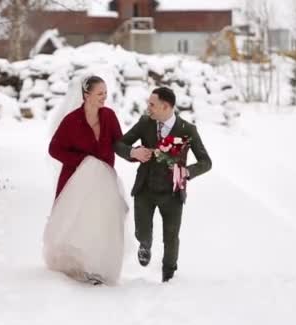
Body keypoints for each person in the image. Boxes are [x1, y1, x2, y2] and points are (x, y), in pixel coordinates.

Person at [114, 87, 212, 282]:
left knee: (171, 236)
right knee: (142, 231)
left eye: (152, 104)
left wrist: (187, 172)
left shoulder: (188, 130)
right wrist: (133, 152)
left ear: (166, 107)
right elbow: (119, 144)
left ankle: (168, 274)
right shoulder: (145, 123)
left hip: (173, 193)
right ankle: (145, 245)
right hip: (145, 188)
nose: (148, 108)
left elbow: (206, 162)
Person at [43, 75, 128, 286]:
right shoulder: (71, 120)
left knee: (102, 222)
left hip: (104, 181)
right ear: (86, 95)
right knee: (77, 221)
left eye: (106, 93)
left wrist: (134, 153)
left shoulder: (109, 116)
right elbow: (54, 149)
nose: (104, 98)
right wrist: (83, 162)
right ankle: (77, 264)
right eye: (100, 93)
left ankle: (98, 266)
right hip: (76, 182)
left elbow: (120, 144)